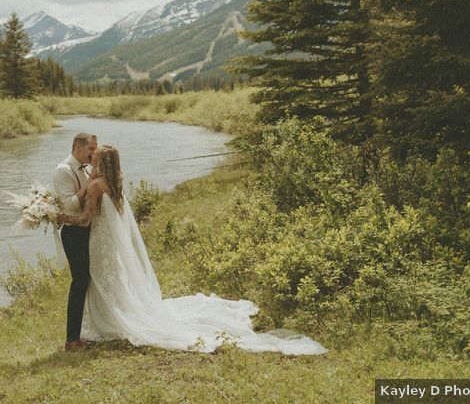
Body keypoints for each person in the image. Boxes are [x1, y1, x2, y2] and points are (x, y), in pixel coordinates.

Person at [57, 144, 327, 355]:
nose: (91, 157)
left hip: (99, 243)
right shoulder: (115, 183)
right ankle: (111, 318)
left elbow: (85, 220)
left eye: (96, 156)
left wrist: (57, 216)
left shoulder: (94, 185)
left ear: (101, 162)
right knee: (111, 281)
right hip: (110, 245)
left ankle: (109, 322)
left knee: (102, 281)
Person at [52, 133, 97, 351]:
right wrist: (89, 185)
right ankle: (72, 339)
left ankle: (90, 328)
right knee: (79, 282)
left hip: (89, 230)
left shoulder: (87, 168)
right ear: (77, 149)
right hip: (73, 233)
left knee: (89, 280)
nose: (93, 154)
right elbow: (69, 205)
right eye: (90, 150)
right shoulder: (63, 170)